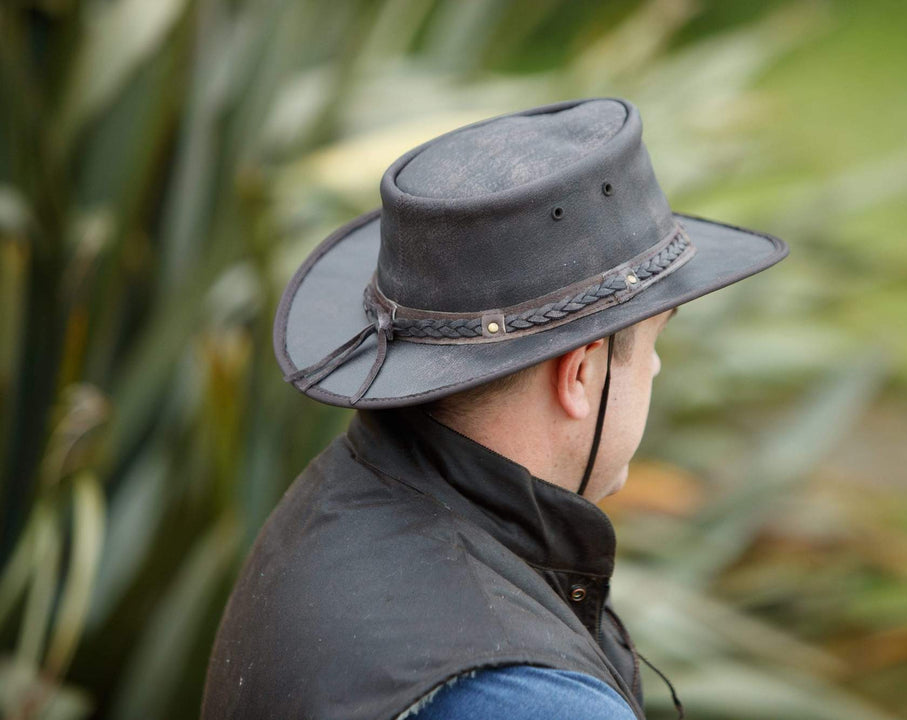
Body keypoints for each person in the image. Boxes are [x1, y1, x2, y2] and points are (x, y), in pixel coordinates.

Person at [201, 97, 788, 719]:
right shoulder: (530, 697)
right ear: (581, 373)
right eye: (652, 342)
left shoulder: (337, 499)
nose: (657, 368)